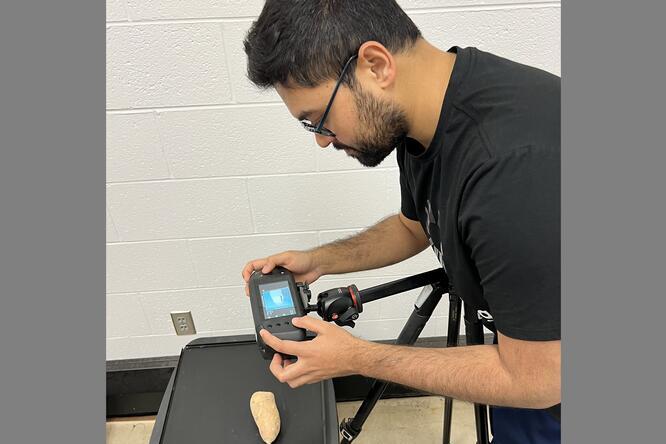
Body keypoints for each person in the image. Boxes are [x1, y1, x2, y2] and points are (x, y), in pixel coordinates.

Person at [241, 1, 561, 442]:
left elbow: (537, 380)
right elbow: (414, 225)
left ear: (375, 65)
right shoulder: (429, 114)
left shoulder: (511, 171)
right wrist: (319, 261)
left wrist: (359, 358)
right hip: (529, 360)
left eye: (319, 119)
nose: (321, 140)